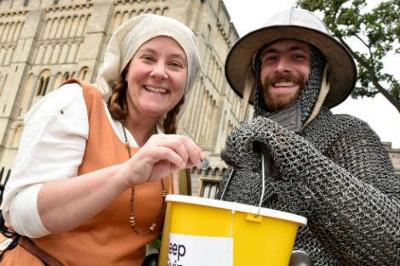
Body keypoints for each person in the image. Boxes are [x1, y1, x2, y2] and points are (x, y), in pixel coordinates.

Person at [0, 14, 203, 265]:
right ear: (127, 69)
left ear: (186, 83)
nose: (159, 72)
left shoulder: (172, 153)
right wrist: (125, 174)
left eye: (175, 64)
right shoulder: (78, 104)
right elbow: (21, 215)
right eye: (148, 58)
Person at [218, 7, 400, 265]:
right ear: (258, 74)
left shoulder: (349, 135)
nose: (281, 67)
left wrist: (289, 153)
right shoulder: (243, 154)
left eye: (297, 57)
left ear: (318, 72)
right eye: (270, 59)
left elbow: (394, 244)